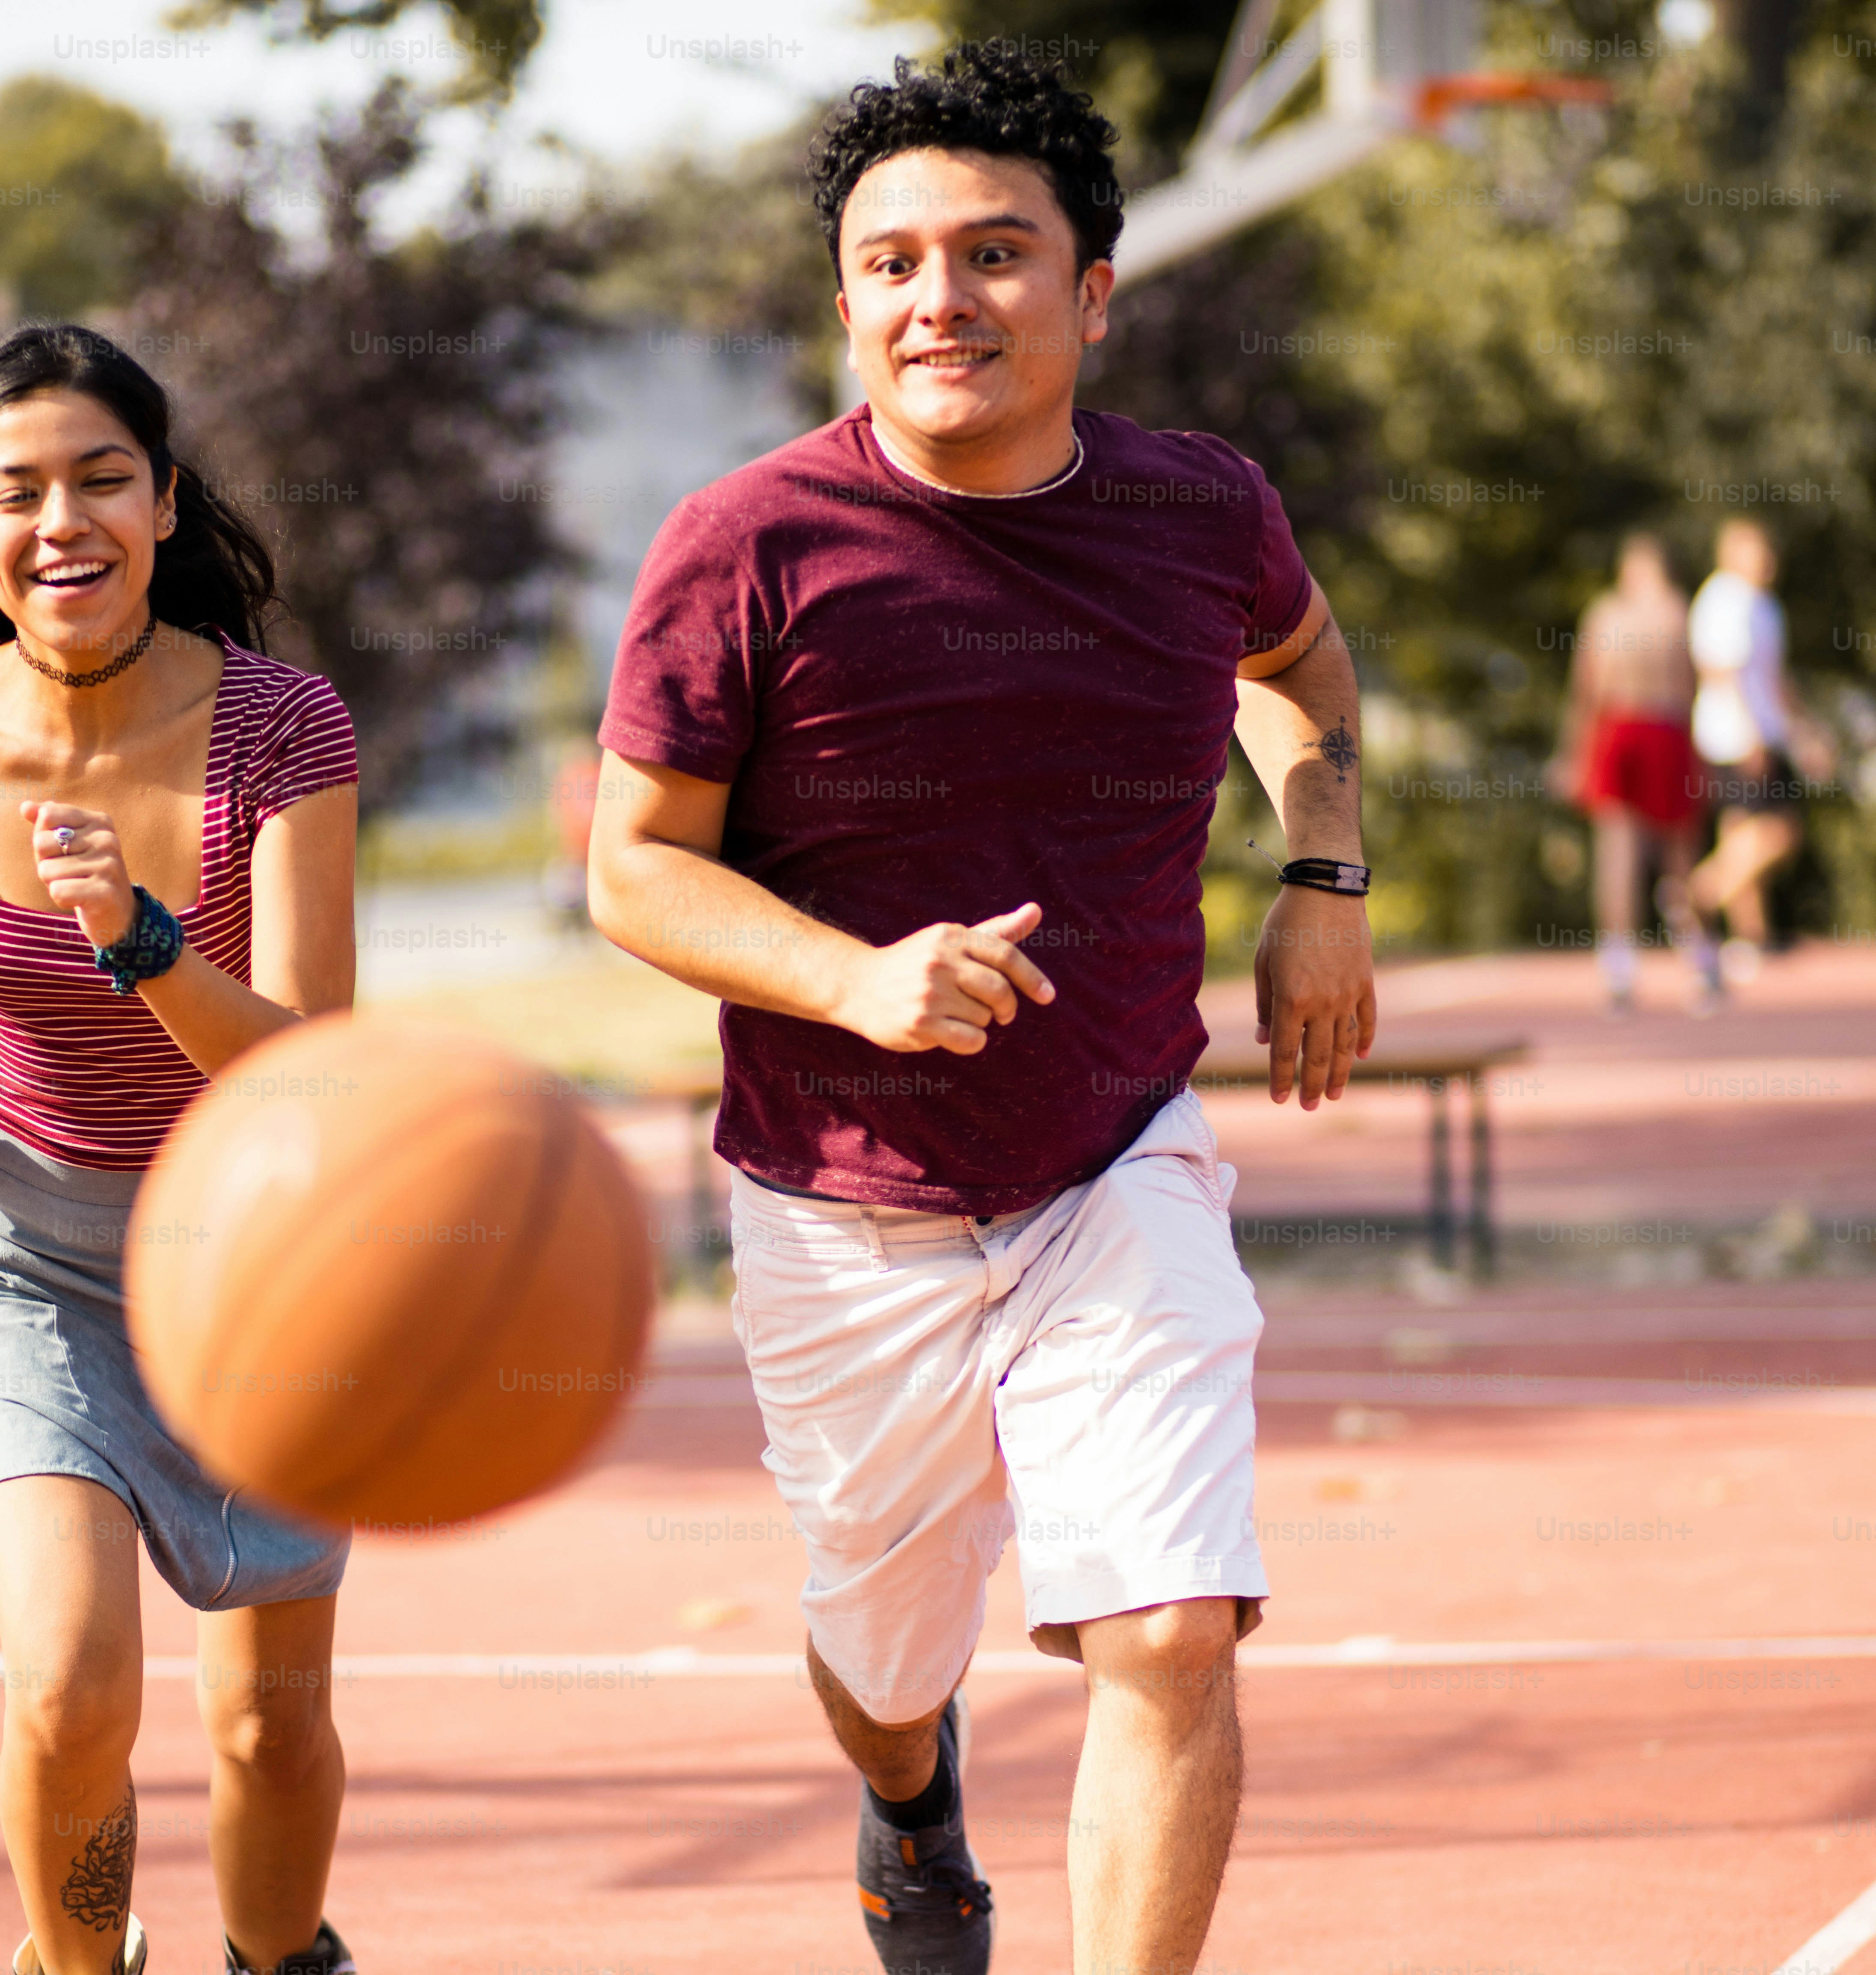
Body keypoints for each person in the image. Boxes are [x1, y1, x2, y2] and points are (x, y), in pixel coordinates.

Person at [585, 44, 1375, 1975]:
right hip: (842, 1201)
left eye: (997, 255)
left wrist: (1325, 878)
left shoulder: (1203, 508)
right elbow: (634, 869)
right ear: (845, 300)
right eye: (894, 263)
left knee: (1173, 1623)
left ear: (1092, 295)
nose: (942, 300)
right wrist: (855, 978)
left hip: (1116, 1160)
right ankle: (909, 1799)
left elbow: (1305, 664)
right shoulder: (744, 546)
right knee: (884, 1654)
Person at [0, 325, 362, 1975]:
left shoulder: (280, 729)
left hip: (256, 1261)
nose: (61, 520)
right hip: (23, 1256)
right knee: (70, 1679)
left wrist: (137, 935)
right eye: (14, 491)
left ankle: (278, 1957)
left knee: (263, 1729)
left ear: (164, 503)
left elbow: (309, 1059)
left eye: (103, 478)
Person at [1550, 533, 1722, 1015]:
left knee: (1622, 851)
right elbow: (1692, 689)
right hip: (1663, 730)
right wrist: (1701, 759)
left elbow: (1587, 692)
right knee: (1677, 854)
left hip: (1623, 730)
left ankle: (1621, 968)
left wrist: (1573, 756)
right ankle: (1699, 963)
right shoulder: (1677, 611)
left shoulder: (1608, 614)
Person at [1686, 516, 1832, 979]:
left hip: (1759, 732)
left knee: (1741, 834)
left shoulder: (1764, 606)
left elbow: (1775, 679)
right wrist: (1749, 733)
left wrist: (1805, 730)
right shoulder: (1725, 599)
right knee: (1780, 832)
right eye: (1756, 549)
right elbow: (1719, 671)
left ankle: (1751, 938)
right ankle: (1698, 895)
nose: (1767, 559)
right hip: (1733, 736)